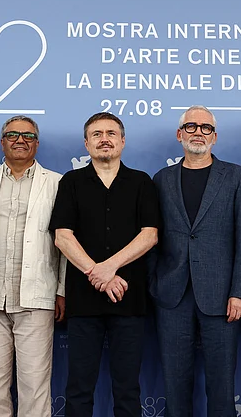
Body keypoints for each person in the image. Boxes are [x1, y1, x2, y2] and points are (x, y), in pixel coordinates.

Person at [150, 105, 241, 416]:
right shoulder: (162, 179)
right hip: (171, 296)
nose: (199, 132)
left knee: (222, 387)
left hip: (222, 297)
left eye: (206, 127)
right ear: (179, 134)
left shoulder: (235, 176)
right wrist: (154, 285)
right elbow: (153, 238)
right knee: (175, 385)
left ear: (214, 136)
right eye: (192, 126)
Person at [50, 112, 159, 417]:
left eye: (111, 133)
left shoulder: (141, 182)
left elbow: (150, 235)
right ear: (86, 144)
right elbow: (62, 237)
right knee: (79, 387)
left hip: (130, 298)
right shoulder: (71, 182)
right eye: (96, 134)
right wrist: (96, 273)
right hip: (83, 301)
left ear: (122, 141)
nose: (104, 139)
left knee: (127, 388)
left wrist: (108, 268)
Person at [0, 115, 65, 417]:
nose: (20, 140)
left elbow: (65, 242)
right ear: (2, 142)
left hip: (36, 296)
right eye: (12, 135)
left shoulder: (57, 183)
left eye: (28, 135)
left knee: (35, 385)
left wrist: (62, 290)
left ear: (37, 143)